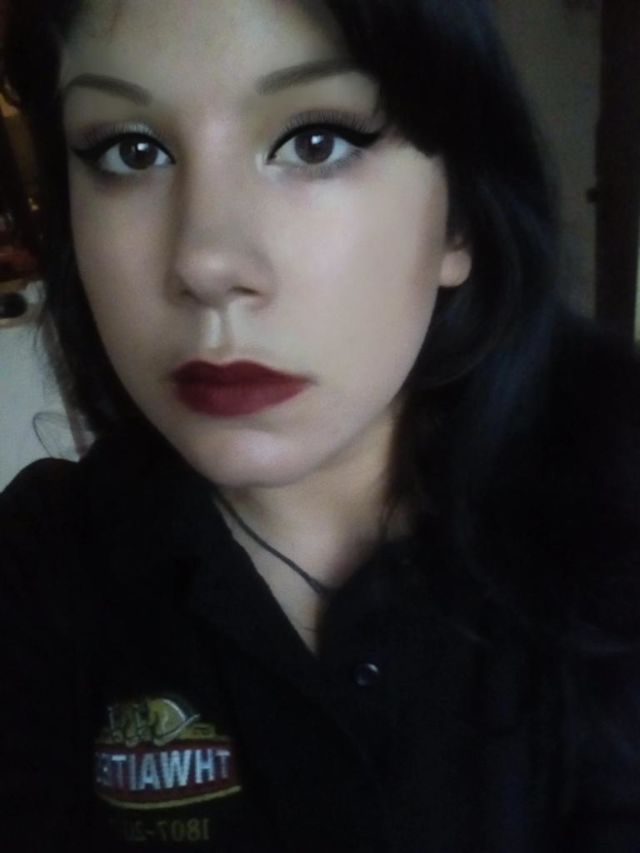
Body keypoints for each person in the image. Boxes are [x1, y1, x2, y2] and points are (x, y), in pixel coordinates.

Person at [1, 0, 639, 850]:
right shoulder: (40, 575)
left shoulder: (615, 516)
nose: (206, 262)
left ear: (457, 219)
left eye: (314, 141)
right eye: (132, 151)